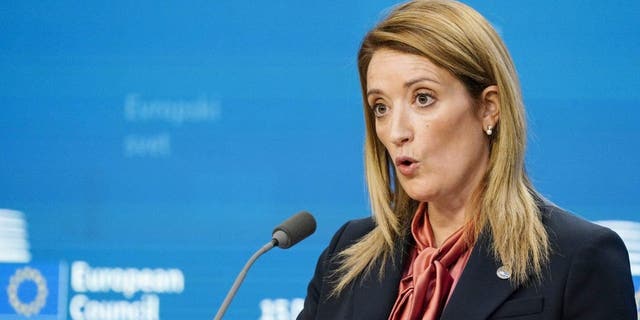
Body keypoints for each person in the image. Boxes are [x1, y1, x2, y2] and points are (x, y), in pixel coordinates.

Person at [297, 0, 637, 319]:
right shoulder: (347, 254)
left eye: (423, 98)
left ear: (488, 107)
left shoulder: (577, 257)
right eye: (381, 107)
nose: (396, 131)